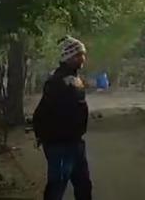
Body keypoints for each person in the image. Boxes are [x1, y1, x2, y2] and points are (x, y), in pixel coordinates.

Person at [33, 36, 92, 200]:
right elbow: (43, 111)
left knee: (84, 185)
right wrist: (42, 135)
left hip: (76, 142)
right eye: (79, 55)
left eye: (83, 54)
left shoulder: (76, 79)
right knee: (57, 186)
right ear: (69, 57)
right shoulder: (56, 81)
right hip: (60, 145)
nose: (83, 58)